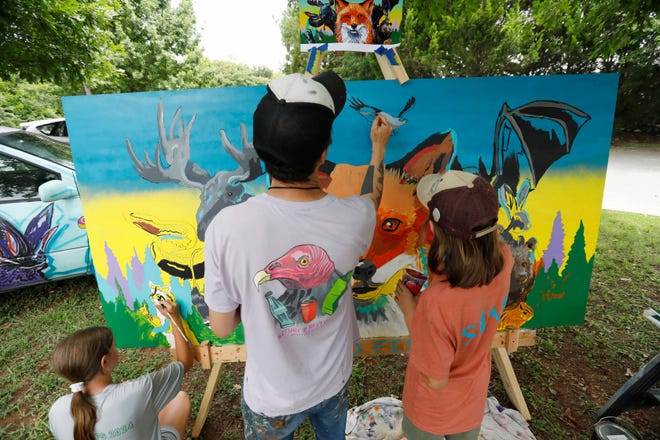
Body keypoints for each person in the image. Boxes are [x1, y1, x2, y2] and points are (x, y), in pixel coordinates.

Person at [203, 71, 393, 439]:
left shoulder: (226, 227)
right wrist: (379, 148)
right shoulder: (355, 218)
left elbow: (223, 327)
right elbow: (372, 200)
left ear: (259, 148)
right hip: (332, 384)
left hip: (270, 398)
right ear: (324, 152)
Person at [395, 170, 514, 440]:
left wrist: (409, 309)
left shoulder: (437, 303)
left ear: (434, 230)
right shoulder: (504, 259)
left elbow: (435, 379)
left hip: (430, 412)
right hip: (470, 404)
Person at [48, 299, 193, 440]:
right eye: (114, 347)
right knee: (180, 399)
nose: (118, 350)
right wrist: (174, 317)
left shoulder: (57, 410)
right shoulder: (137, 391)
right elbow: (184, 362)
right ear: (105, 362)